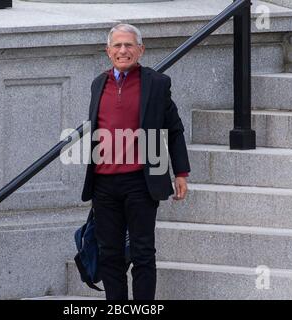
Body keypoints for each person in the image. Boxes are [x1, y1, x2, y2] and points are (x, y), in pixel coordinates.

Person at [81, 23, 190, 300]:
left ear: (140, 50)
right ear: (108, 51)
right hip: (104, 184)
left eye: (129, 45)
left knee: (142, 253)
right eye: (117, 45)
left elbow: (174, 130)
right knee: (110, 255)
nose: (123, 50)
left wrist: (181, 172)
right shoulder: (98, 83)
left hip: (141, 181)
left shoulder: (156, 83)